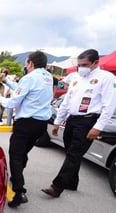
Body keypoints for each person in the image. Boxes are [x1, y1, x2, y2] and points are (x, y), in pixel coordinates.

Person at [42, 49, 116, 198]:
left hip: (89, 120)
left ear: (96, 62)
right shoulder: (75, 77)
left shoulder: (106, 78)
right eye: (79, 64)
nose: (81, 67)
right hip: (72, 119)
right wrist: (57, 122)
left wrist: (98, 127)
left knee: (74, 154)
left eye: (85, 64)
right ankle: (72, 182)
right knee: (70, 151)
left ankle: (57, 187)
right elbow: (67, 102)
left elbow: (110, 106)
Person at [0, 51, 53, 207]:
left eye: (26, 63)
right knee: (23, 152)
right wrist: (6, 81)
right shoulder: (47, 78)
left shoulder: (29, 78)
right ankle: (17, 177)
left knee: (15, 155)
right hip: (41, 124)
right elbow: (23, 89)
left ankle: (19, 192)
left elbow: (14, 102)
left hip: (26, 123)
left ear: (31, 63)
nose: (25, 66)